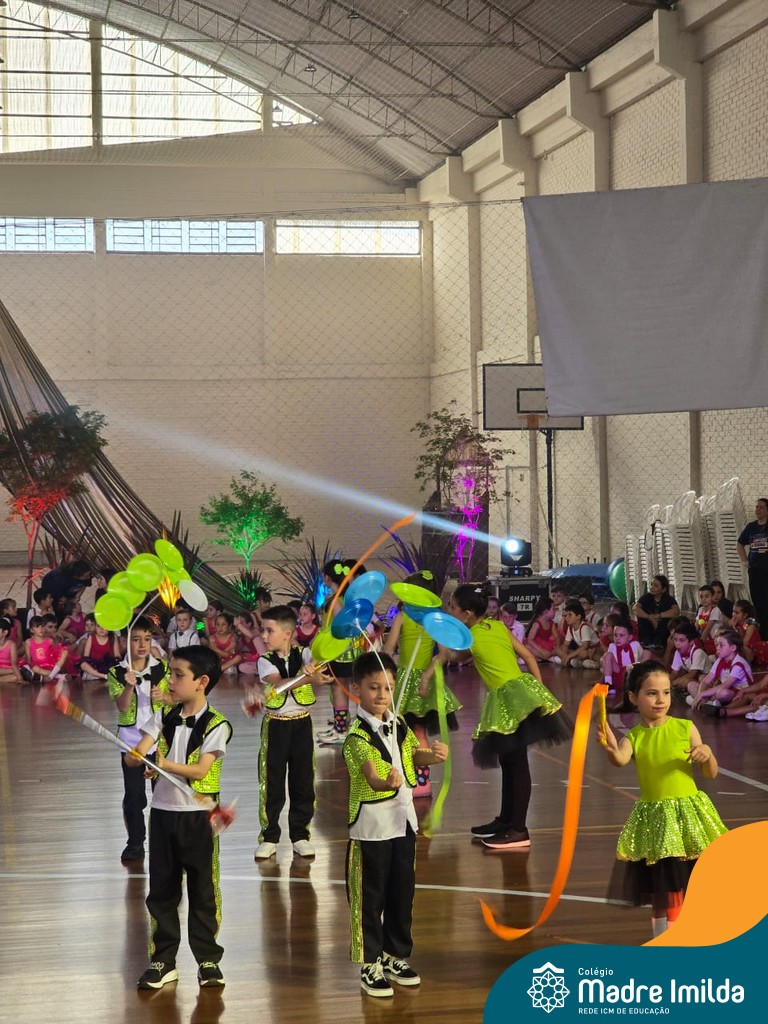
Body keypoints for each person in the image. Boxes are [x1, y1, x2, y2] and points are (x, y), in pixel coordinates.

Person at [425, 585, 572, 850]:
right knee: (509, 760)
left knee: (517, 764)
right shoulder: (497, 626)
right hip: (521, 691)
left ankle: (519, 830)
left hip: (509, 698)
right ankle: (506, 821)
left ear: (467, 614)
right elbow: (528, 655)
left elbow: (454, 656)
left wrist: (438, 652)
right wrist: (537, 692)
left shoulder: (471, 637)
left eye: (452, 607)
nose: (449, 610)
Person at [343, 652, 448, 998]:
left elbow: (412, 755)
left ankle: (394, 955)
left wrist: (433, 755)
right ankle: (369, 963)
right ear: (356, 688)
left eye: (387, 687)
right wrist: (385, 782)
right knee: (369, 898)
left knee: (402, 892)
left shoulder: (399, 723)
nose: (382, 695)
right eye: (373, 687)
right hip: (371, 828)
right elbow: (372, 776)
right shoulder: (356, 737)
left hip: (403, 822)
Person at [127, 646, 232, 990]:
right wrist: (137, 756)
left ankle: (208, 961)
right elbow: (140, 751)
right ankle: (163, 960)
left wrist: (163, 764)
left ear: (202, 682)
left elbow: (201, 771)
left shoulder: (217, 725)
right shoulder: (162, 716)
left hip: (199, 819)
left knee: (203, 890)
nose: (169, 681)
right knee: (162, 890)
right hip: (163, 815)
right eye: (169, 673)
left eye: (177, 675)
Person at [597, 660, 726, 937]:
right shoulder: (634, 737)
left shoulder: (685, 728)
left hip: (688, 818)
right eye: (652, 693)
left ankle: (681, 939)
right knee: (661, 889)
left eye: (666, 693)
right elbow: (620, 759)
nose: (661, 700)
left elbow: (710, 773)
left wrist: (707, 753)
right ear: (634, 697)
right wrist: (611, 747)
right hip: (656, 822)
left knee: (681, 886)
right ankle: (662, 939)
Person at [247, 605, 331, 859]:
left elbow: (319, 670)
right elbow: (278, 685)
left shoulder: (305, 654)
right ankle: (269, 836)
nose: (263, 636)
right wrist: (308, 678)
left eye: (269, 631)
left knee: (303, 781)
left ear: (287, 633)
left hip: (302, 724)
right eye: (263, 630)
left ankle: (300, 835)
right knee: (272, 782)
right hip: (276, 726)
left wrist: (316, 672)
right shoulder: (265, 660)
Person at [383, 571, 461, 798]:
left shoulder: (407, 617)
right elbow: (443, 654)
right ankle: (414, 778)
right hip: (412, 679)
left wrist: (424, 677)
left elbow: (389, 650)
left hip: (413, 680)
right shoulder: (427, 618)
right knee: (410, 730)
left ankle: (419, 780)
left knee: (412, 730)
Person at [107, 617, 170, 863]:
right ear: (125, 641)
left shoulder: (162, 668)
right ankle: (135, 842)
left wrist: (163, 697)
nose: (142, 645)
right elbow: (123, 707)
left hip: (158, 739)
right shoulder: (116, 672)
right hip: (131, 741)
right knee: (134, 796)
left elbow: (174, 700)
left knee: (162, 793)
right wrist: (128, 686)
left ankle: (165, 842)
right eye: (136, 639)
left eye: (147, 639)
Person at [691, 629, 752, 715]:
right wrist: (700, 695)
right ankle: (706, 703)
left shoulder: (739, 663)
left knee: (722, 693)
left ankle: (706, 703)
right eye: (717, 645)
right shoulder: (720, 659)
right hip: (722, 690)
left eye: (721, 645)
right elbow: (707, 680)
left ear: (733, 648)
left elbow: (725, 685)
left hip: (738, 694)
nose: (717, 647)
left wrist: (702, 694)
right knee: (691, 685)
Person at [737, 498, 768, 639]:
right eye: (757, 507)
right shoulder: (751, 527)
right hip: (755, 572)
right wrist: (744, 561)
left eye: (761, 507)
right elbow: (740, 544)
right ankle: (763, 635)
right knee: (758, 602)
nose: (757, 510)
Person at [603, 620, 649, 702]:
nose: (617, 638)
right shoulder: (612, 646)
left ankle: (641, 683)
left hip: (632, 675)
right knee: (608, 655)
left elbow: (642, 660)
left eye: (621, 635)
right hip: (619, 675)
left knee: (647, 653)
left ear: (630, 637)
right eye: (615, 635)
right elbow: (607, 665)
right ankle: (608, 684)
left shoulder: (635, 645)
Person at [634, 575, 679, 650]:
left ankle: (659, 643)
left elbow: (676, 611)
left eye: (656, 586)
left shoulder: (668, 599)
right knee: (642, 617)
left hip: (662, 631)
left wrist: (659, 616)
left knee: (666, 620)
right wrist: (648, 617)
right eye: (651, 584)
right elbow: (635, 608)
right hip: (647, 628)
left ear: (663, 589)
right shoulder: (646, 597)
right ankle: (646, 642)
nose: (652, 587)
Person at [668, 620, 709, 697]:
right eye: (675, 640)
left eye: (681, 640)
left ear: (691, 642)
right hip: (695, 680)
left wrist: (673, 683)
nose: (677, 643)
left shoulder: (698, 652)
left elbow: (691, 674)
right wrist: (667, 682)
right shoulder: (678, 652)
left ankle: (704, 699)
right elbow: (674, 673)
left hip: (707, 682)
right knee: (681, 681)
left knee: (687, 681)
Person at [557, 599, 600, 669]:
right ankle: (578, 662)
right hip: (583, 650)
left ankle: (584, 662)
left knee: (584, 653)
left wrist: (569, 656)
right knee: (558, 649)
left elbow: (584, 646)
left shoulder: (584, 627)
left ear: (578, 617)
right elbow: (565, 644)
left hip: (594, 650)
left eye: (570, 615)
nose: (566, 617)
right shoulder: (570, 627)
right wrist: (565, 655)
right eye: (566, 615)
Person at [24, 616, 67, 683]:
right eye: (37, 627)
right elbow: (28, 659)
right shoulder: (28, 642)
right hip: (37, 666)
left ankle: (50, 676)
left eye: (42, 626)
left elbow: (55, 654)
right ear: (31, 630)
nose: (41, 629)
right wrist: (31, 665)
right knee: (34, 668)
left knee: (64, 652)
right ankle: (58, 676)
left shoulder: (49, 641)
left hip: (49, 665)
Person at [524, 597, 560, 664]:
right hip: (538, 646)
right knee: (527, 647)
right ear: (545, 611)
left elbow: (557, 637)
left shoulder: (551, 623)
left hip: (547, 645)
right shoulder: (537, 624)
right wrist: (541, 650)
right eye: (553, 609)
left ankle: (542, 658)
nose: (555, 611)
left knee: (559, 649)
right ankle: (549, 658)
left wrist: (557, 647)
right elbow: (530, 640)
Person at [694, 585, 722, 655]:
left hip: (714, 642)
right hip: (704, 640)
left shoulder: (715, 610)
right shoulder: (700, 609)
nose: (703, 599)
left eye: (707, 596)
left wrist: (699, 644)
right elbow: (696, 626)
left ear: (712, 597)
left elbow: (708, 629)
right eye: (701, 597)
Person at [0, 617, 22, 685]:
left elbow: (14, 663)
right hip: (3, 670)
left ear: (5, 632)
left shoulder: (11, 644)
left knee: (15, 677)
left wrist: (20, 679)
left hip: (8, 668)